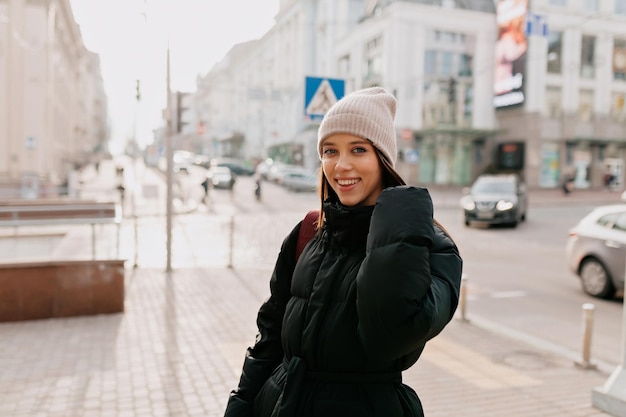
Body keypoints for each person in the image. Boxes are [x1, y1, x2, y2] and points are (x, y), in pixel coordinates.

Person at [223, 87, 463, 417]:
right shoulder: (309, 232)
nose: (342, 165)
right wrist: (240, 408)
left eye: (359, 149)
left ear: (384, 160)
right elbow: (270, 340)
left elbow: (390, 337)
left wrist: (397, 220)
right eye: (330, 151)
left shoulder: (431, 247)